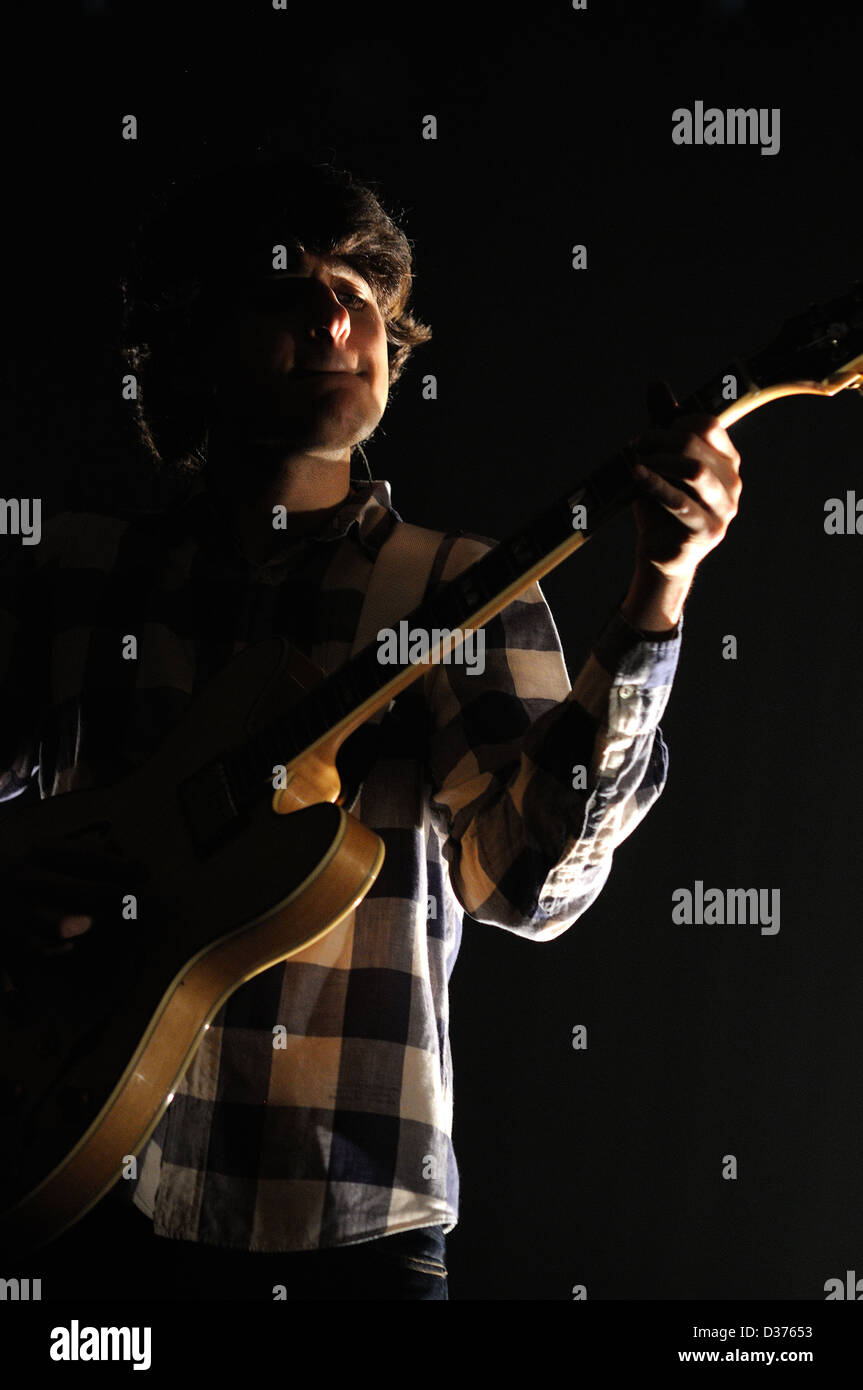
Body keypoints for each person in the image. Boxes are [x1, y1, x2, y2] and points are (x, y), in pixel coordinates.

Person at [0, 156, 741, 1300]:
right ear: (193, 341)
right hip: (76, 1189)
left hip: (352, 1226)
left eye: (359, 287)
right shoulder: (81, 579)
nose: (337, 310)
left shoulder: (453, 587)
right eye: (283, 286)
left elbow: (528, 888)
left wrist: (657, 589)